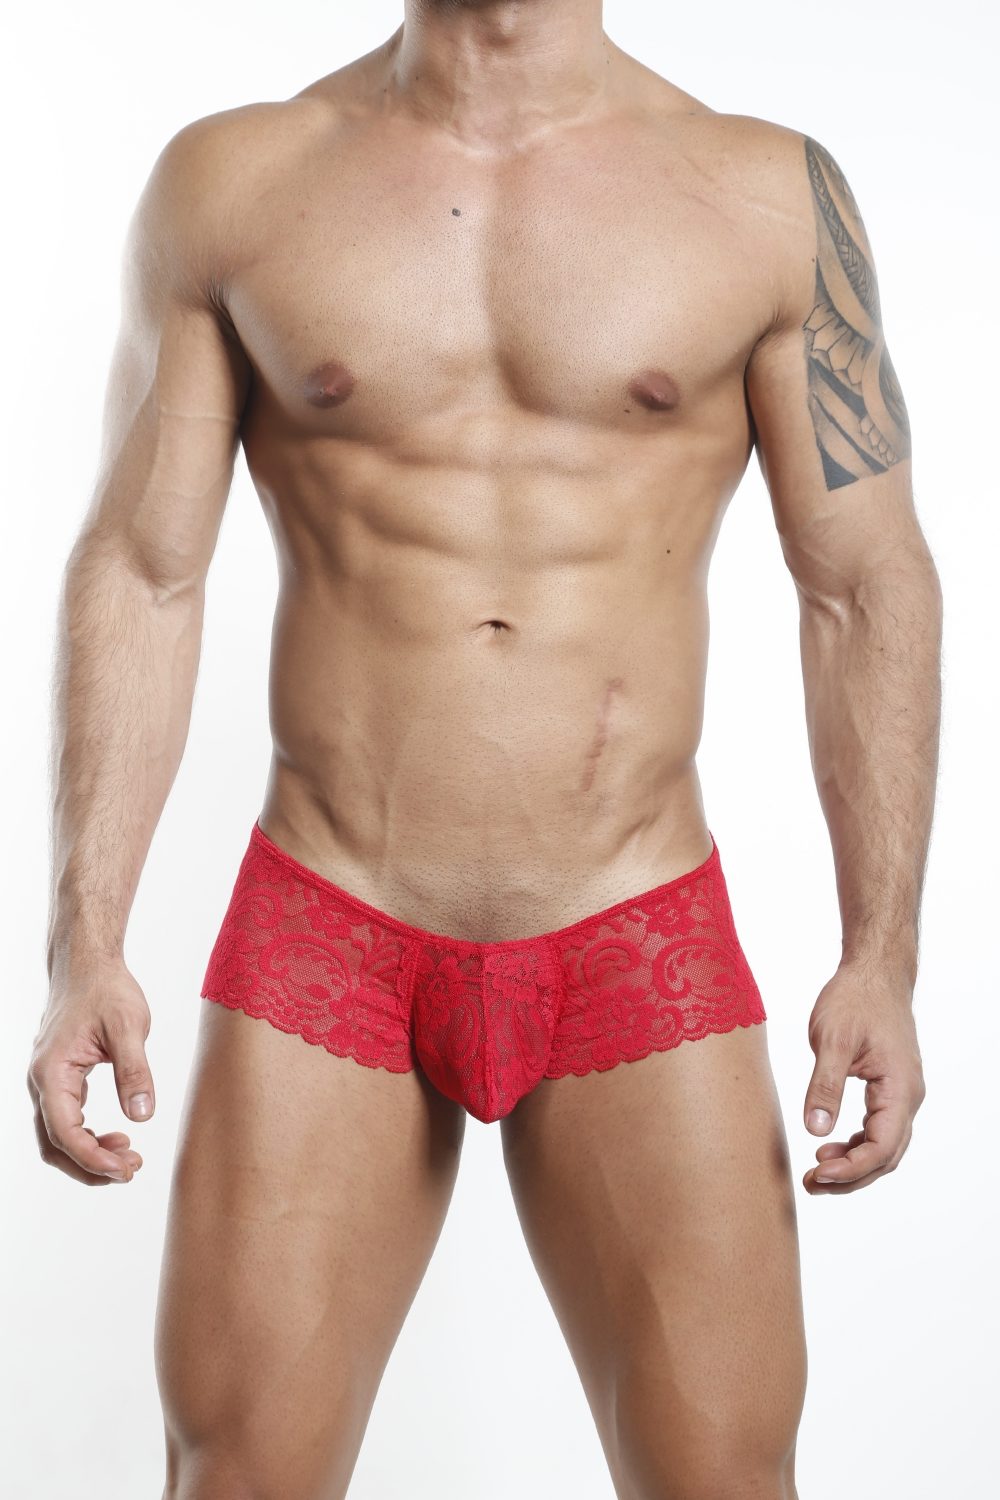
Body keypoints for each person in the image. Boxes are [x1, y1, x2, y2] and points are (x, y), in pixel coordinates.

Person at [28, 2, 941, 1496]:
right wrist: (84, 943)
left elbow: (863, 582)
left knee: (726, 1479)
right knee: (236, 1473)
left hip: (633, 917)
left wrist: (882, 957)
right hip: (332, 914)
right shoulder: (235, 185)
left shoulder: (766, 197)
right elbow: (142, 568)